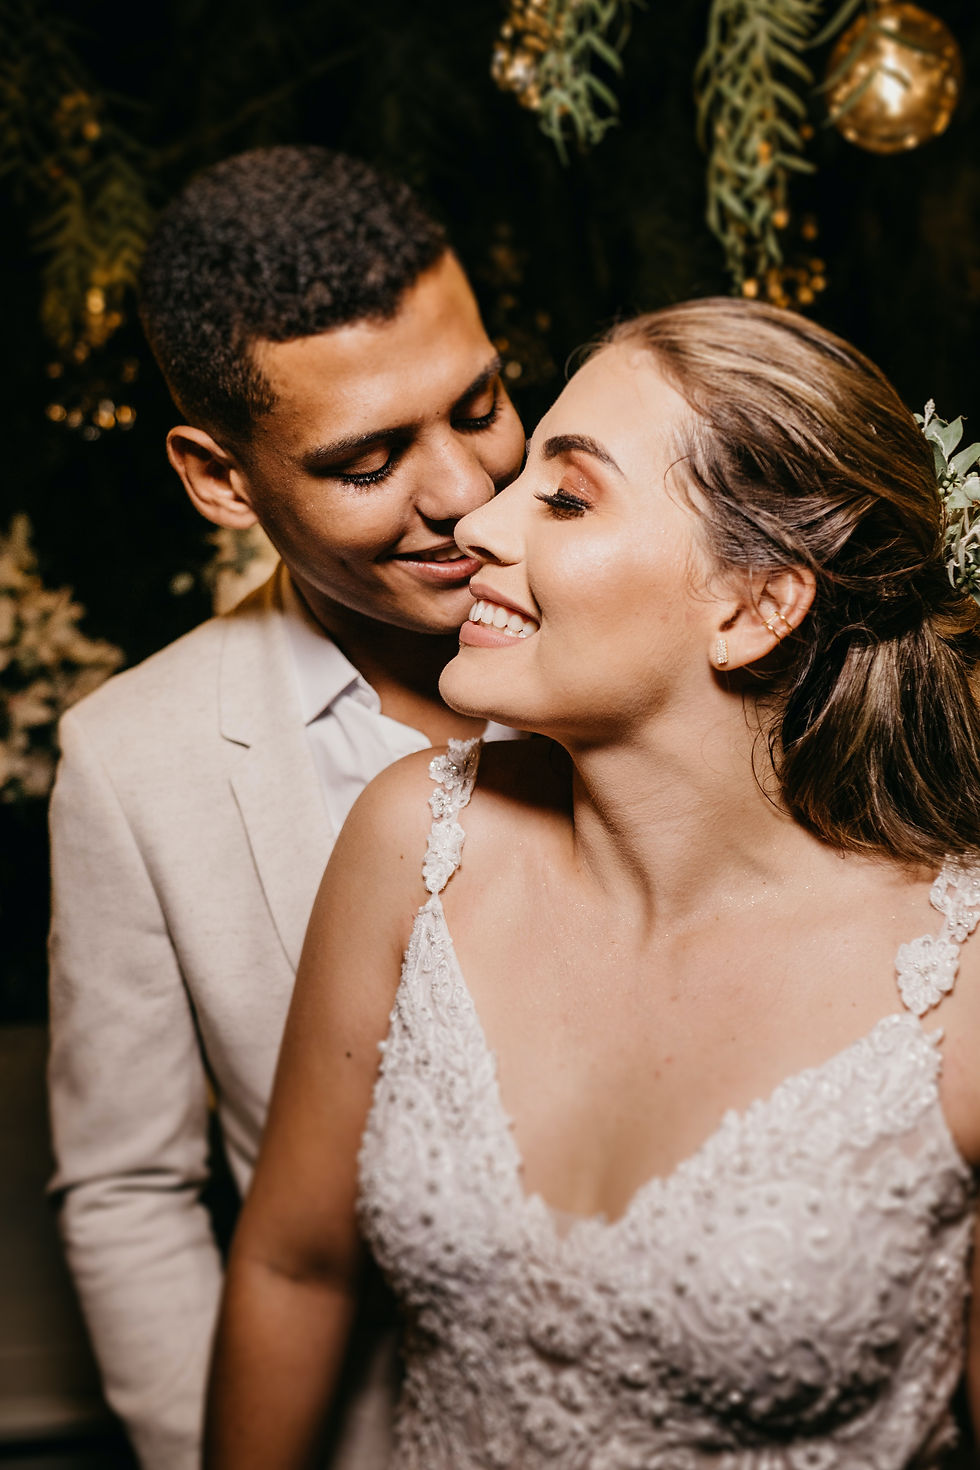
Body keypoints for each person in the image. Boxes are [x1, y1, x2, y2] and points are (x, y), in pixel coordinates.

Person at [205, 296, 980, 1468]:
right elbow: (292, 1268)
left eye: (564, 498)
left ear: (753, 606)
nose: (478, 519)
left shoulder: (955, 982)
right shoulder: (412, 844)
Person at [46, 144, 525, 1469]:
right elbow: (128, 1189)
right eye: (367, 460)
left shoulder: (651, 635)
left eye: (479, 404)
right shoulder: (133, 761)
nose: (463, 492)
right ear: (220, 478)